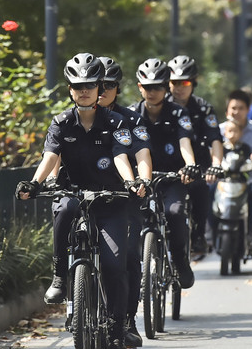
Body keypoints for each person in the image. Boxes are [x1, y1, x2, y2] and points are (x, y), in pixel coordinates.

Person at [15, 53, 146, 349]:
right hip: (73, 193)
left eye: (90, 85)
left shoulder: (117, 121)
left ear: (100, 88)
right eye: (78, 85)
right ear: (70, 90)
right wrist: (34, 183)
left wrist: (129, 181)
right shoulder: (61, 122)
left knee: (115, 265)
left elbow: (121, 155)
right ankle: (60, 276)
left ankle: (116, 325)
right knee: (65, 207)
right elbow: (51, 156)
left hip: (111, 200)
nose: (84, 90)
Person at [97, 56, 152, 348]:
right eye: (98, 84)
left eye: (109, 85)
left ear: (118, 88)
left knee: (129, 258)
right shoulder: (75, 116)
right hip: (88, 198)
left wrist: (141, 181)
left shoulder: (130, 119)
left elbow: (142, 154)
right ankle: (75, 300)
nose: (103, 90)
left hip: (124, 198)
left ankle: (127, 320)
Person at [129, 58, 199, 289]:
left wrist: (189, 165)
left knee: (175, 212)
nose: (152, 92)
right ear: (140, 87)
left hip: (172, 178)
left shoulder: (179, 113)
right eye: (147, 87)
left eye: (158, 86)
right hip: (141, 180)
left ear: (166, 86)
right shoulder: (130, 114)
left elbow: (185, 142)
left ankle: (180, 261)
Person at [166, 55, 224, 257]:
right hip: (168, 166)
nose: (179, 88)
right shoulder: (160, 105)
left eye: (185, 82)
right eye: (174, 83)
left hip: (199, 165)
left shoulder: (203, 108)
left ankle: (199, 234)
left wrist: (216, 165)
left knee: (200, 190)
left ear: (194, 82)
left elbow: (215, 139)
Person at [222, 89, 252, 270]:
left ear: (248, 110)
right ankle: (205, 237)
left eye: (240, 108)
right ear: (227, 110)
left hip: (250, 179)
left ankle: (251, 235)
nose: (236, 112)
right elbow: (212, 152)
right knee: (209, 191)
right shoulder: (220, 131)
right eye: (233, 108)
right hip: (224, 181)